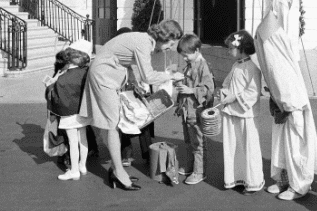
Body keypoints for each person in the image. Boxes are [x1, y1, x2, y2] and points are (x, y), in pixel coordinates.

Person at [79, 19, 184, 191]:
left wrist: (134, 83)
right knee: (112, 125)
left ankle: (116, 168)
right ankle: (119, 172)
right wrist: (171, 76)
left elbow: (127, 61)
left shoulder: (142, 39)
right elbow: (148, 76)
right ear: (164, 37)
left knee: (111, 125)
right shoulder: (143, 43)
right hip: (104, 77)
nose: (170, 48)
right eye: (170, 44)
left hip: (107, 74)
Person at [254, 0, 317, 201]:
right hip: (282, 105)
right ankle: (282, 180)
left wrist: (285, 103)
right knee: (280, 144)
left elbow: (286, 85)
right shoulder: (271, 47)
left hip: (292, 107)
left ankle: (299, 184)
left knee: (296, 146)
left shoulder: (281, 56)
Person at [219, 30, 264, 195]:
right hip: (232, 112)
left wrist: (233, 98)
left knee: (248, 147)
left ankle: (253, 181)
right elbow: (228, 82)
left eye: (231, 48)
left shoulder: (252, 67)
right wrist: (224, 91)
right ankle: (237, 177)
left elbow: (253, 91)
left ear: (242, 48)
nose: (228, 51)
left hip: (246, 114)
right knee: (234, 146)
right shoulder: (236, 65)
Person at [46, 39, 94, 181]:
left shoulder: (64, 78)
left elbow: (55, 97)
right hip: (84, 111)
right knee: (83, 138)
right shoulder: (87, 72)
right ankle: (82, 166)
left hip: (69, 113)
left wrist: (49, 86)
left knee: (73, 141)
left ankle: (74, 171)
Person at [174, 33, 214, 185]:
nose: (184, 58)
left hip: (196, 111)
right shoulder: (191, 65)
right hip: (187, 110)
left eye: (186, 55)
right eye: (182, 55)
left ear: (196, 50)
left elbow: (209, 89)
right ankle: (192, 167)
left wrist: (190, 91)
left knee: (198, 142)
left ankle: (199, 172)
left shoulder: (203, 66)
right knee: (189, 140)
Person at [114, 27, 156, 167]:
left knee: (142, 124)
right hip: (127, 92)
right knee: (127, 123)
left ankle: (144, 154)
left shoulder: (138, 51)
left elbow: (146, 73)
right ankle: (132, 155)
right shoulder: (122, 55)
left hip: (138, 91)